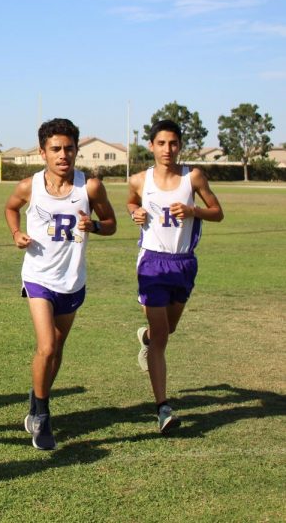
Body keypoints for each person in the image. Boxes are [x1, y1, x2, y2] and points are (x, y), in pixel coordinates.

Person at [4, 118, 116, 450]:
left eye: (69, 148)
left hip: (72, 280)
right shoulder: (30, 186)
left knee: (57, 350)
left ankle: (37, 395)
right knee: (47, 345)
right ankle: (41, 415)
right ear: (42, 152)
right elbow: (11, 208)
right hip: (38, 277)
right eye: (55, 149)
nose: (63, 155)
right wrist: (16, 233)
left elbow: (111, 224)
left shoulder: (90, 187)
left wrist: (93, 225)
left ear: (77, 150)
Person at [127, 119, 223, 433]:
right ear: (151, 146)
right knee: (162, 337)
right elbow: (131, 202)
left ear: (180, 146)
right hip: (152, 264)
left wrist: (195, 211)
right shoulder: (140, 179)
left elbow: (217, 211)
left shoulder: (192, 176)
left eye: (174, 143)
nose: (168, 149)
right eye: (162, 143)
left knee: (168, 330)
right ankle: (163, 408)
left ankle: (146, 338)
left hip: (184, 263)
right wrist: (134, 212)